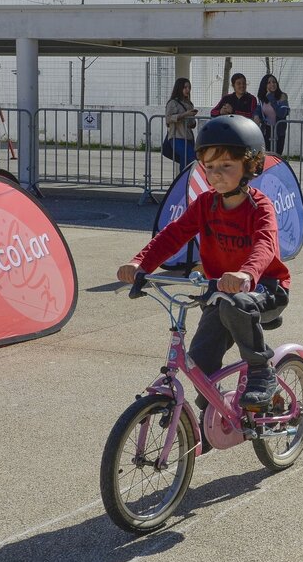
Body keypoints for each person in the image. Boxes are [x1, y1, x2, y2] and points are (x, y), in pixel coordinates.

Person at [117, 115, 290, 412]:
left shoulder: (259, 206)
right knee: (199, 363)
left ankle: (262, 372)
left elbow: (265, 244)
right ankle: (215, 420)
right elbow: (173, 235)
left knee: (235, 304)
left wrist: (246, 273)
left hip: (265, 288)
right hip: (220, 293)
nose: (216, 174)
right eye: (209, 167)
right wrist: (140, 264)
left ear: (250, 165)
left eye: (226, 165)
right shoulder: (206, 204)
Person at [163, 77, 198, 172]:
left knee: (186, 161)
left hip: (188, 137)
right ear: (179, 88)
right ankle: (185, 179)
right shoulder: (172, 103)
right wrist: (185, 114)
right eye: (185, 87)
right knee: (190, 157)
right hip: (177, 136)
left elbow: (192, 124)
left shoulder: (189, 104)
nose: (188, 90)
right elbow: (168, 118)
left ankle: (184, 179)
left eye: (189, 87)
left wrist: (192, 119)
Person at [255, 73, 290, 154]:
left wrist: (271, 97)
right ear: (264, 85)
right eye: (269, 82)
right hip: (266, 130)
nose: (272, 84)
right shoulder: (263, 98)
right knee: (266, 155)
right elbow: (258, 110)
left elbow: (281, 113)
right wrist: (256, 116)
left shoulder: (282, 96)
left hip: (278, 131)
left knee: (277, 154)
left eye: (274, 82)